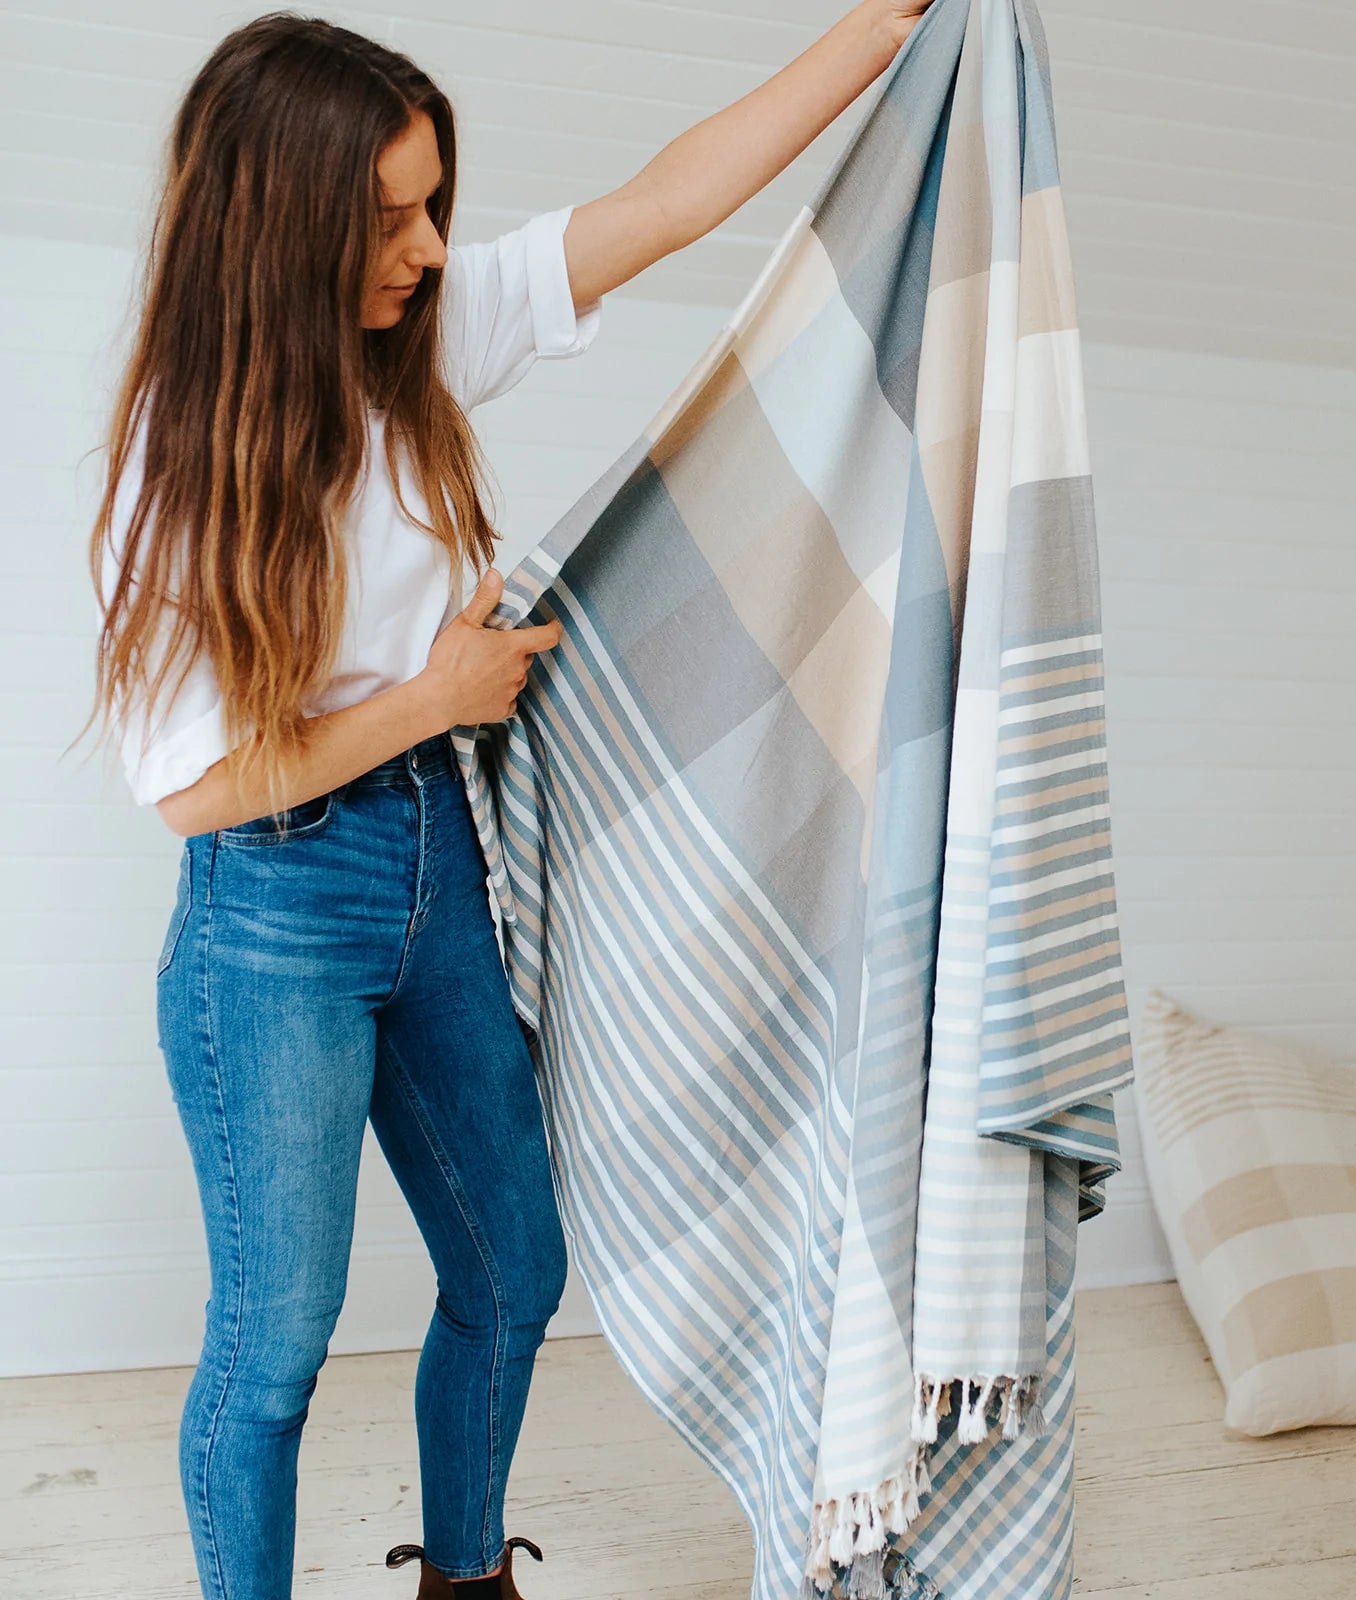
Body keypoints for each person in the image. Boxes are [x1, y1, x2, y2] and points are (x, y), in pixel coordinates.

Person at [79, 5, 934, 1600]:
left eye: (430, 203)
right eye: (387, 213)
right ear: (282, 222)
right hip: (272, 914)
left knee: (512, 1268)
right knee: (271, 1354)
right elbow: (191, 792)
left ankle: (463, 1577)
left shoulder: (421, 333)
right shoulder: (172, 466)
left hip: (432, 867)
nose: (424, 243)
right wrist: (427, 700)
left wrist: (879, 34)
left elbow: (668, 202)